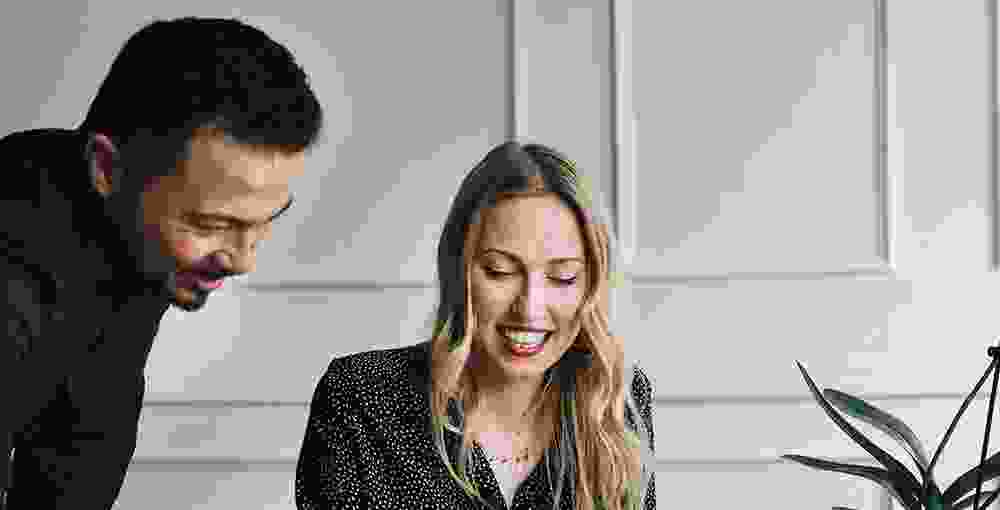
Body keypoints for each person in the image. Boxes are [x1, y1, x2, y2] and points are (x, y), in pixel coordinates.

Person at [0, 17, 322, 509]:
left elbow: (79, 462)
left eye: (265, 221)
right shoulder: (14, 287)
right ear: (105, 168)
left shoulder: (136, 244)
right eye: (212, 223)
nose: (243, 261)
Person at [295, 142, 655, 510]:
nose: (530, 309)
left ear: (591, 285)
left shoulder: (615, 400)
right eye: (500, 271)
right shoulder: (360, 397)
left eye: (563, 277)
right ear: (458, 270)